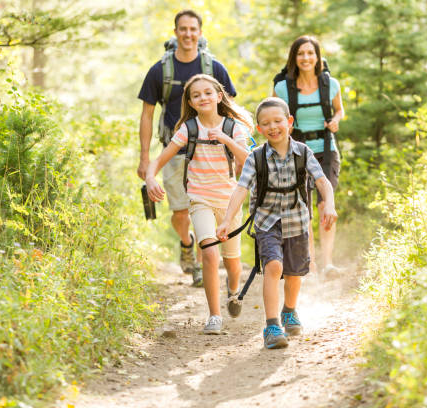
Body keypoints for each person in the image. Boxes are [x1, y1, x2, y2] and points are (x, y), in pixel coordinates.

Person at [216, 97, 337, 349]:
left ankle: (289, 310)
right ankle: (271, 326)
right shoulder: (255, 158)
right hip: (267, 222)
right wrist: (227, 220)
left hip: (297, 221)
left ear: (289, 122)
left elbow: (322, 181)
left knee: (294, 274)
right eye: (266, 123)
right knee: (273, 267)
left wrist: (330, 205)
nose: (273, 127)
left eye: (278, 121)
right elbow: (240, 189)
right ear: (259, 129)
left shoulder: (303, 152)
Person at [138, 10, 237, 286]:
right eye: (183, 29)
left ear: (200, 33)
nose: (188, 34)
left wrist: (237, 145)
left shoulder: (214, 68)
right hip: (175, 149)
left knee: (208, 206)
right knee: (181, 212)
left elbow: (229, 109)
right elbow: (146, 115)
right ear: (175, 32)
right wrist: (145, 159)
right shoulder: (160, 70)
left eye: (193, 29)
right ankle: (186, 243)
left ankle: (202, 263)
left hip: (211, 151)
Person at [146, 74, 251, 335]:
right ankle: (215, 316)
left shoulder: (234, 127)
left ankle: (234, 291)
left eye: (207, 93)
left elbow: (250, 160)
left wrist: (225, 140)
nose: (202, 97)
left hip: (229, 200)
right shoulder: (188, 129)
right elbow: (160, 160)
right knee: (209, 252)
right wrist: (150, 178)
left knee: (233, 262)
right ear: (191, 102)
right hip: (199, 197)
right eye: (196, 95)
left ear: (218, 96)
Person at [273, 35, 344, 276]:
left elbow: (339, 110)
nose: (306, 58)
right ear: (294, 58)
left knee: (326, 202)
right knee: (304, 207)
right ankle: (310, 263)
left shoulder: (330, 84)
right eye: (301, 54)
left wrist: (335, 121)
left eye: (310, 53)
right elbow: (275, 116)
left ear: (318, 57)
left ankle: (328, 263)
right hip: (297, 150)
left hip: (326, 148)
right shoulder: (282, 88)